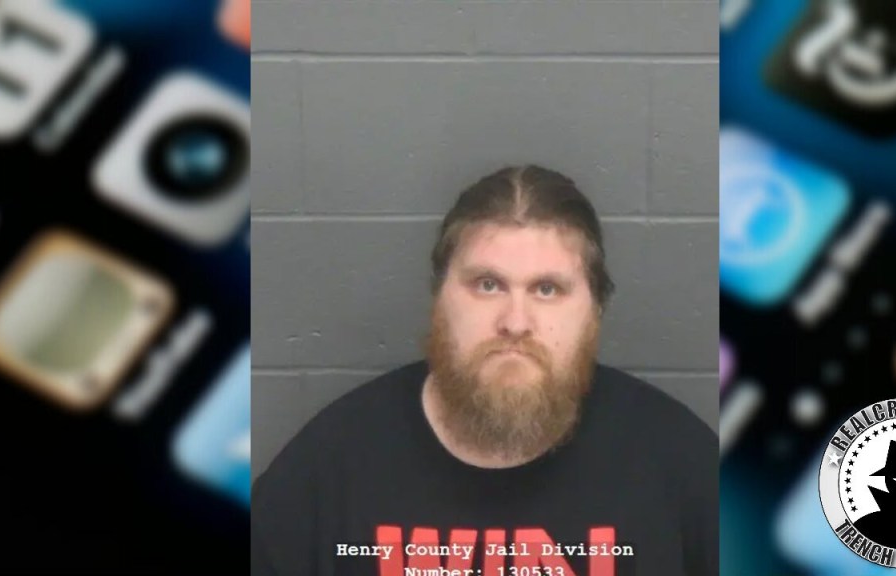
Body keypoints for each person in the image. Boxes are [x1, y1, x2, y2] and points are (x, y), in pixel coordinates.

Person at [251, 165, 718, 576]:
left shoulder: (683, 469)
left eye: (547, 289)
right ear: (440, 299)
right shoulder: (325, 473)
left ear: (594, 311)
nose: (515, 322)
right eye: (488, 285)